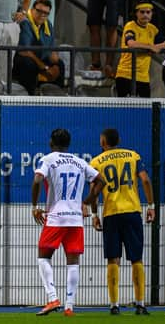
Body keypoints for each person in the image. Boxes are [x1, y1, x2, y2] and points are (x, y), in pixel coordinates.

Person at [31, 128, 101, 316]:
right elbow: (100, 180)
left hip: (56, 217)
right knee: (73, 261)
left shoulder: (48, 160)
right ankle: (69, 306)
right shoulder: (79, 162)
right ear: (68, 144)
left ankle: (53, 298)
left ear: (51, 143)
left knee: (44, 256)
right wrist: (85, 201)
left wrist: (35, 206)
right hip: (75, 218)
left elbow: (37, 179)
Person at [88, 128, 155, 315]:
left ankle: (114, 305)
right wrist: (151, 206)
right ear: (119, 140)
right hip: (132, 211)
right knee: (137, 258)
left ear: (103, 142)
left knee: (113, 258)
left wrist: (95, 215)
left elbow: (93, 191)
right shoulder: (133, 156)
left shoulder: (96, 162)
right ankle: (140, 304)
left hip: (111, 213)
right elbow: (145, 180)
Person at [114, 1, 165, 98]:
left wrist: (156, 47)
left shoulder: (152, 29)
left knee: (145, 110)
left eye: (148, 12)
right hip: (125, 75)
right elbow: (131, 43)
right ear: (136, 13)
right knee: (123, 110)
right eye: (142, 12)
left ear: (151, 14)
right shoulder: (130, 26)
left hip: (143, 78)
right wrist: (150, 47)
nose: (145, 15)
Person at [13, 0, 64, 95]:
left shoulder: (48, 24)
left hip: (40, 58)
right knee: (29, 64)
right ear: (32, 9)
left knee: (60, 64)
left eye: (46, 13)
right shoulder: (25, 22)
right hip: (23, 58)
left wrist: (55, 64)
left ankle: (57, 97)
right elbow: (25, 51)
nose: (42, 15)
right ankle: (30, 95)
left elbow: (52, 51)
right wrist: (45, 68)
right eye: (39, 11)